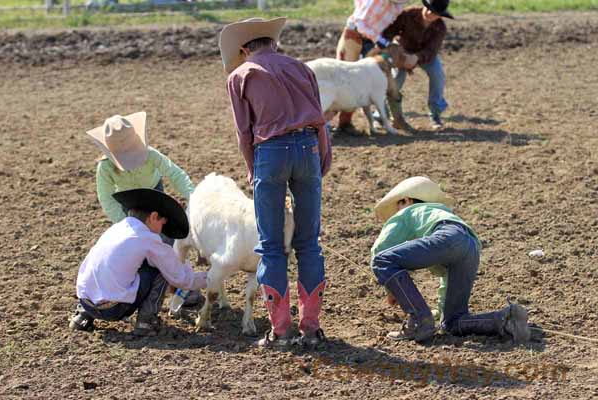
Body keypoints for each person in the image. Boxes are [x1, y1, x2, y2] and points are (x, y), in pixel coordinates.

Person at [219, 17, 332, 347]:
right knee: (309, 241)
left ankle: (281, 331)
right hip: (309, 147)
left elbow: (244, 133)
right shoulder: (302, 68)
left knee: (271, 246)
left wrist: (253, 170)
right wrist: (322, 156)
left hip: (270, 152)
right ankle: (311, 327)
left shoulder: (239, 76)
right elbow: (320, 119)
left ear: (244, 49)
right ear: (274, 43)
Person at [370, 176, 530, 343]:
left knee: (383, 260)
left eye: (397, 206)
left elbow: (380, 250)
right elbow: (447, 277)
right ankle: (506, 319)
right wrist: (440, 312)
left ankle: (419, 321)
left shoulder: (407, 211)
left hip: (447, 236)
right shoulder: (442, 212)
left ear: (406, 200)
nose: (397, 211)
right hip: (471, 246)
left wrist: (391, 288)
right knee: (452, 321)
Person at [86, 111, 203, 306]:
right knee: (134, 247)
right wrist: (125, 224)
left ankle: (181, 287)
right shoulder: (105, 168)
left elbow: (176, 175)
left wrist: (196, 198)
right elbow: (106, 197)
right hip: (129, 205)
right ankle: (142, 289)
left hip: (155, 197)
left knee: (168, 242)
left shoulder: (151, 155)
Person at [69, 188, 208, 336]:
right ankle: (146, 321)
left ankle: (83, 316)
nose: (162, 229)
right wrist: (213, 276)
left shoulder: (117, 228)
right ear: (154, 217)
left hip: (86, 300)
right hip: (113, 309)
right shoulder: (148, 238)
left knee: (113, 264)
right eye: (163, 223)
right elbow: (181, 279)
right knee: (160, 268)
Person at [335, 0, 409, 134]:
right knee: (343, 75)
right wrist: (385, 43)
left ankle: (345, 123)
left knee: (366, 78)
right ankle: (327, 122)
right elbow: (360, 23)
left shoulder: (399, 3)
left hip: (372, 38)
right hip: (355, 34)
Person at [380, 0, 453, 131]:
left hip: (424, 55)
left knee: (438, 75)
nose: (430, 13)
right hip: (402, 50)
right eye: (429, 8)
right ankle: (381, 114)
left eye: (435, 12)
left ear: (440, 15)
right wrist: (394, 50)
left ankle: (435, 114)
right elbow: (389, 31)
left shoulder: (440, 27)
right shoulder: (407, 14)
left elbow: (431, 51)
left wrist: (416, 58)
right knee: (396, 79)